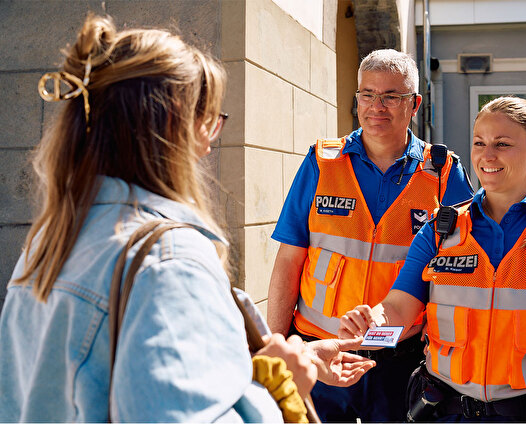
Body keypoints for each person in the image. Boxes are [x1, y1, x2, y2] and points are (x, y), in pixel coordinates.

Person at [0, 14, 375, 422]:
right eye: (211, 121)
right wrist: (281, 390)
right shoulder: (166, 261)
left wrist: (293, 357)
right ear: (174, 125)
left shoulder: (49, 243)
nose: (211, 145)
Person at [339, 96, 526, 422]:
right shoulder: (439, 231)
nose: (487, 156)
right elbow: (398, 309)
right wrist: (372, 322)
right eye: (479, 143)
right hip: (449, 412)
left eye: (502, 144)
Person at [267, 49, 473, 422]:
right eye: (367, 94)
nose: (376, 106)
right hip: (320, 351)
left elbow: (464, 274)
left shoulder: (443, 174)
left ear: (415, 104)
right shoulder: (322, 162)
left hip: (400, 360)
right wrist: (275, 347)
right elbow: (289, 260)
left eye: (391, 96)